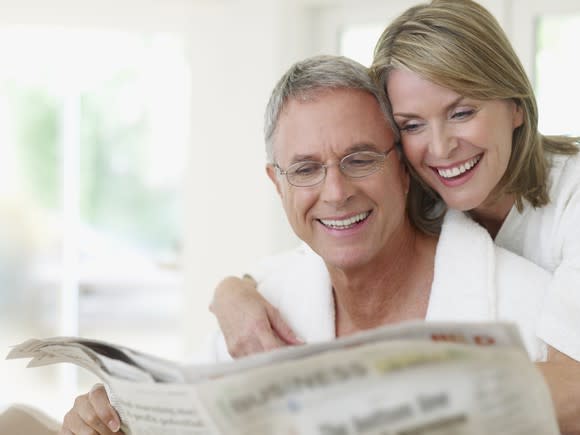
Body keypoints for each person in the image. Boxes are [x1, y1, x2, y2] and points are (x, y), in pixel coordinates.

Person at [59, 54, 567, 434]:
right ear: (276, 185)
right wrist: (106, 419)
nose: (336, 192)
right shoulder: (265, 310)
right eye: (305, 169)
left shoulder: (528, 306)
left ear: (404, 170)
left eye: (361, 158)